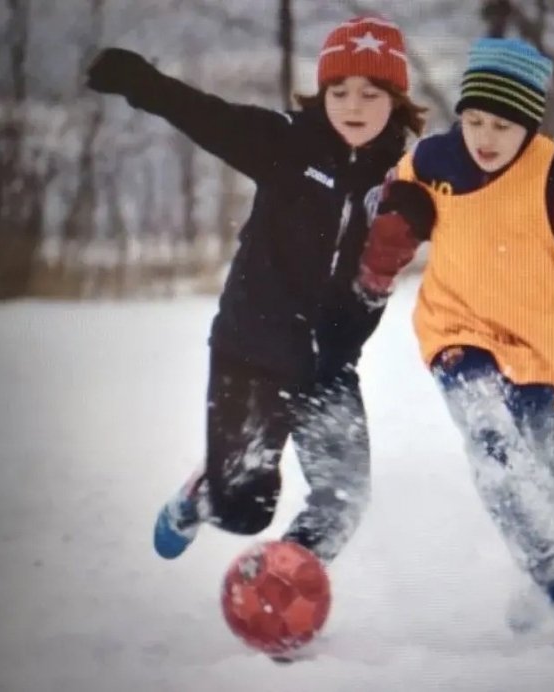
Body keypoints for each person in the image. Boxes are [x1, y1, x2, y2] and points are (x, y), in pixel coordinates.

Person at [85, 16, 426, 565]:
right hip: (252, 349)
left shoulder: (411, 175)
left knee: (343, 499)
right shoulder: (287, 143)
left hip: (329, 363)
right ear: (322, 94)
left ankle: (283, 580)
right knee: (245, 508)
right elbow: (207, 117)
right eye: (339, 91)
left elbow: (481, 208)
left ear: (397, 100)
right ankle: (205, 492)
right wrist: (142, 82)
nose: (353, 105)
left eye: (371, 92)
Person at [354, 37, 554, 643]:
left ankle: (549, 563)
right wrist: (375, 270)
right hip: (458, 331)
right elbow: (390, 218)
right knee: (491, 445)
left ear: (529, 126)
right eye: (474, 120)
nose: (484, 137)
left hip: (541, 345)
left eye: (502, 126)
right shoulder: (432, 162)